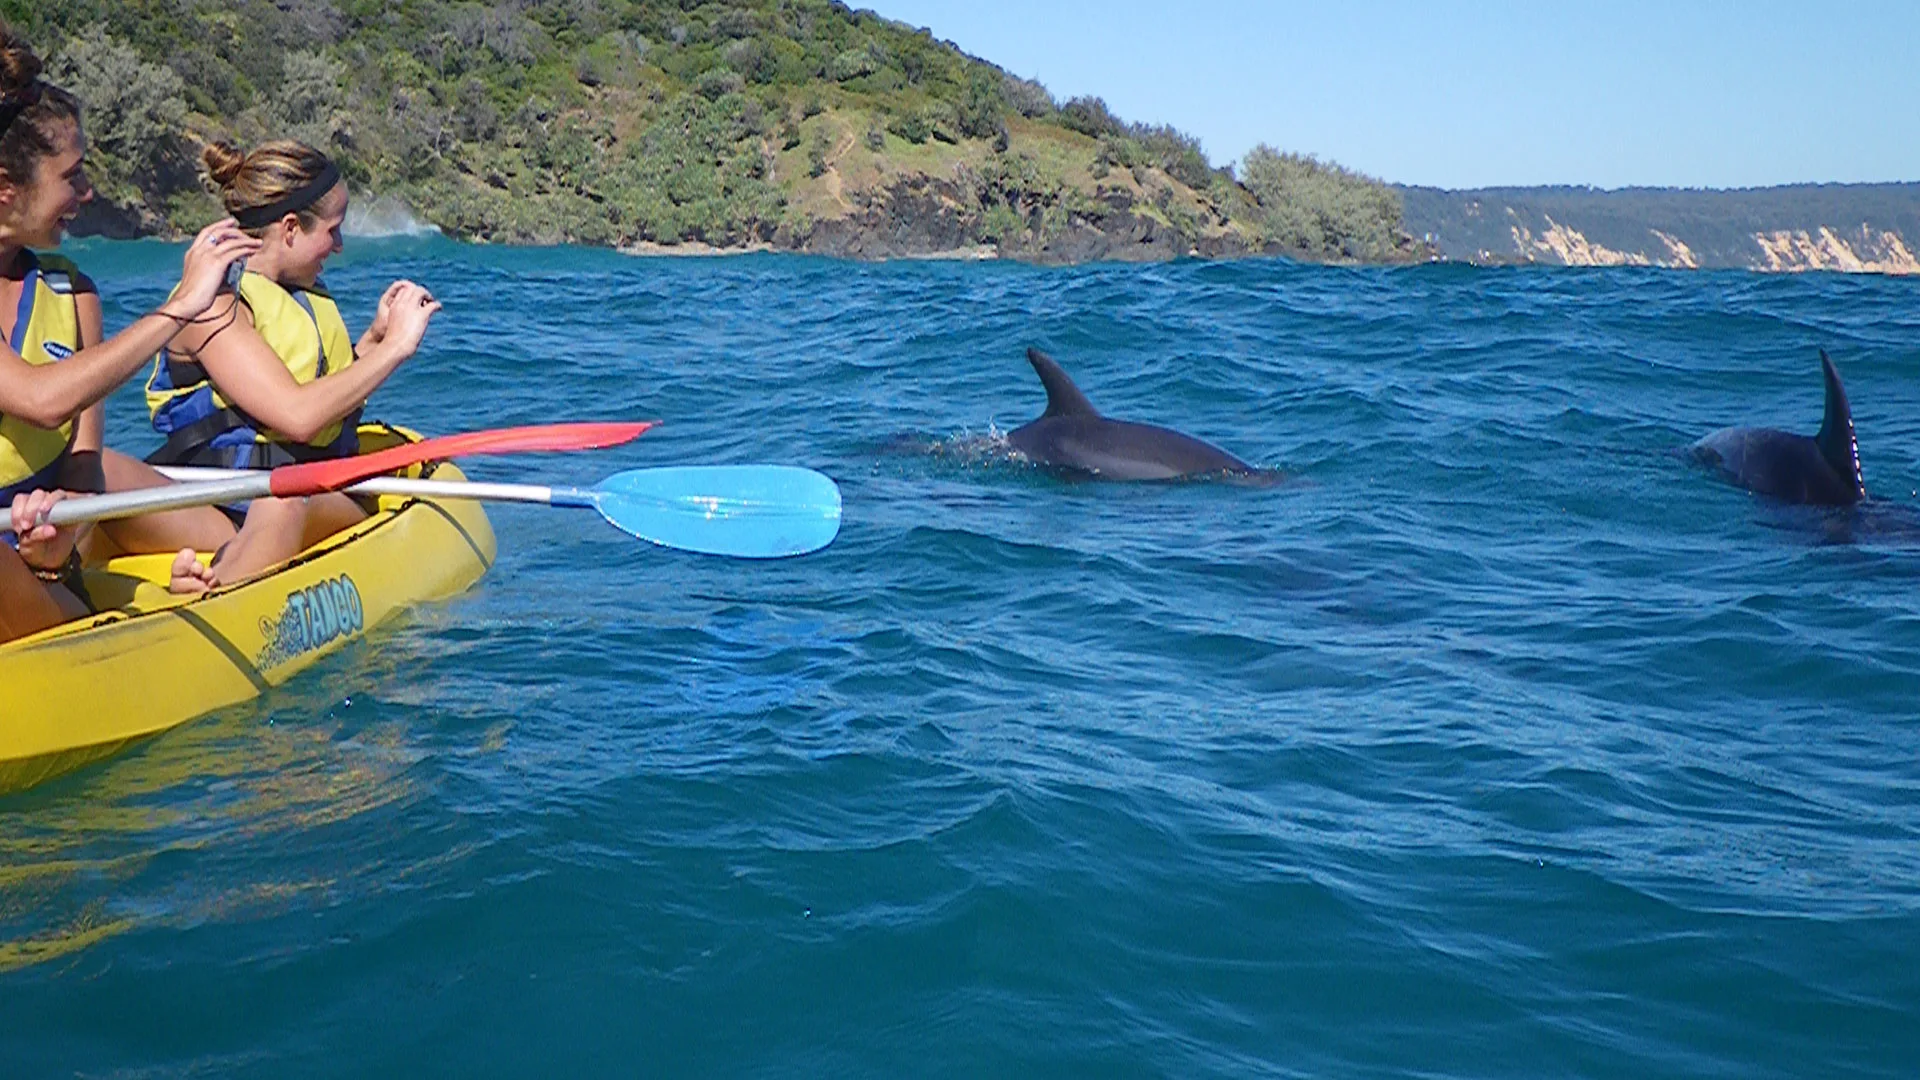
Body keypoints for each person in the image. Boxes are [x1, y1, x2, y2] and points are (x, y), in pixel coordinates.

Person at [0, 21, 260, 644]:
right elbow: (38, 398)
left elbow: (83, 465)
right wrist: (178, 310)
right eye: (72, 176)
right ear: (5, 190)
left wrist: (60, 543)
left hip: (45, 573)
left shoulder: (73, 293)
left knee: (226, 541)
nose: (87, 193)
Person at [147, 139, 440, 594]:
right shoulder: (214, 304)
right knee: (94, 470)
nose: (339, 246)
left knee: (281, 501)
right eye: (332, 230)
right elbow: (298, 416)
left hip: (301, 496)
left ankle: (215, 589)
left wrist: (372, 343)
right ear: (289, 229)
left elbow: (312, 402)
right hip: (216, 497)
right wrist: (396, 348)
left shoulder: (298, 293)